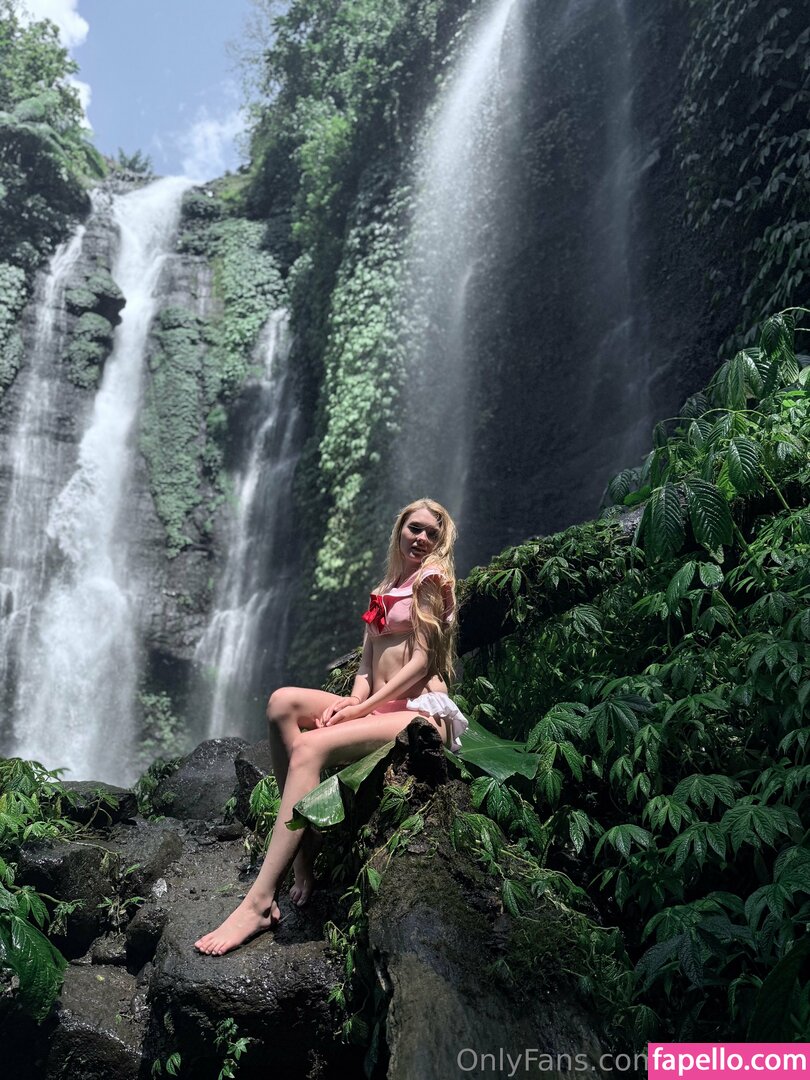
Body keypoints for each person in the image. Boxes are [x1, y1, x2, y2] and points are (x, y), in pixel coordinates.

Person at [194, 497, 468, 955]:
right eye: (414, 528)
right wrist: (354, 701)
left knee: (309, 748)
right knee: (282, 703)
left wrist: (361, 711)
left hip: (419, 714)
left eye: (431, 533)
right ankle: (304, 847)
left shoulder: (431, 579)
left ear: (440, 542)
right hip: (379, 709)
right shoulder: (386, 588)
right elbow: (366, 664)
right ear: (399, 530)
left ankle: (259, 902)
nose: (421, 538)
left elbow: (421, 663)